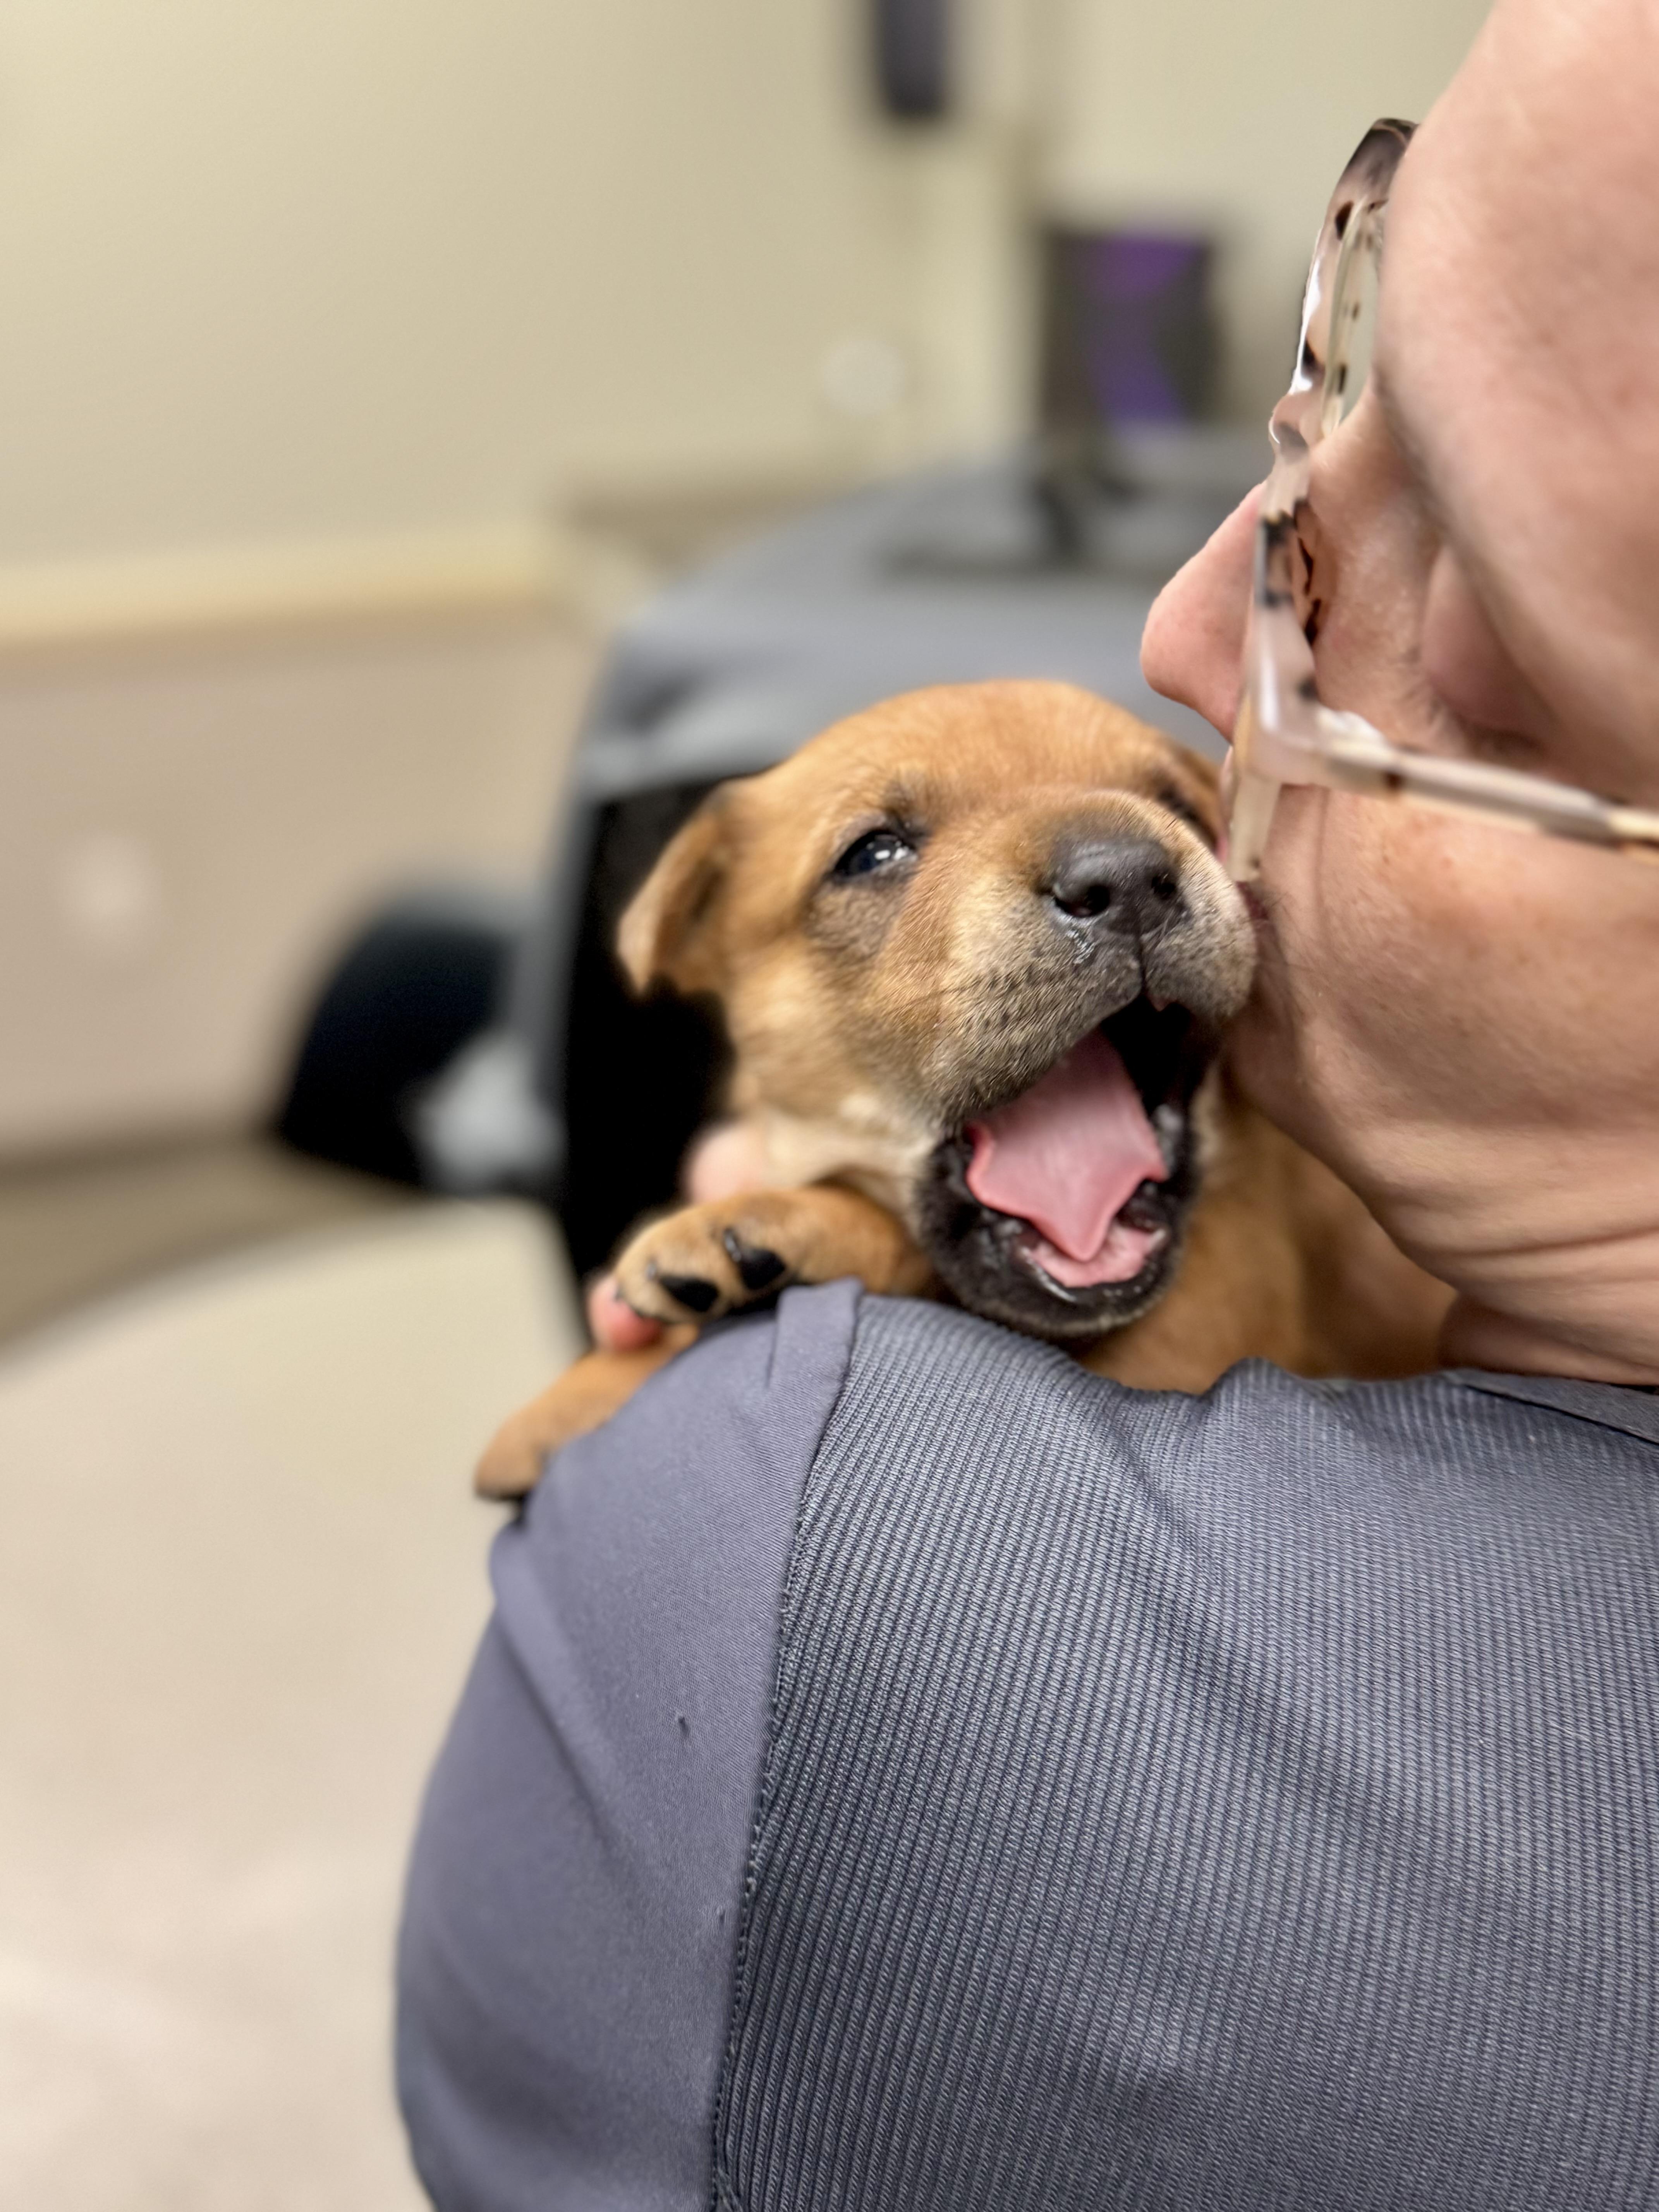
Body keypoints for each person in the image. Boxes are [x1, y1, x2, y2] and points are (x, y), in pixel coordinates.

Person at [395, 3, 1659, 2204]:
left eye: (1457, 603)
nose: (1198, 622)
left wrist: (814, 1373)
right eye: (1319, 396)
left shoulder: (760, 1582)